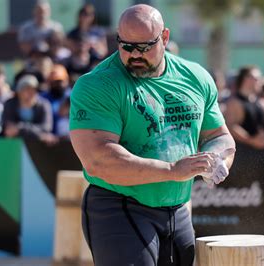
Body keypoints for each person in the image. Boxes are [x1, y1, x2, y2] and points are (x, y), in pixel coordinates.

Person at [69, 4, 236, 266]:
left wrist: (217, 159)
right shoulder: (98, 84)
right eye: (126, 46)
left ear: (165, 38)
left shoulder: (195, 77)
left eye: (145, 47)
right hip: (120, 205)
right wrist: (172, 170)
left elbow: (220, 135)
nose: (135, 55)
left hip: (177, 207)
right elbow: (98, 159)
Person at [224, 66, 264, 149]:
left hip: (263, 150)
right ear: (246, 79)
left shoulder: (263, 102)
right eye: (257, 78)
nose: (260, 81)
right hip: (243, 152)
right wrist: (251, 140)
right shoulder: (233, 103)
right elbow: (230, 126)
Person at [2, 75, 56, 144]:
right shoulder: (9, 104)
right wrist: (38, 135)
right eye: (27, 89)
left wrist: (20, 128)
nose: (32, 93)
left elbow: (46, 128)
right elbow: (8, 129)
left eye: (34, 89)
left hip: (39, 146)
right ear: (19, 91)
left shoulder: (44, 105)